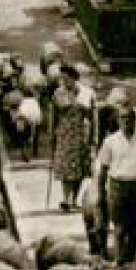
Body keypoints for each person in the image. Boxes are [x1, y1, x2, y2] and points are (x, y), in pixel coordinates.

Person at [95, 107, 136, 266]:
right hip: (117, 187)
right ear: (118, 121)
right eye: (123, 118)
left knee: (133, 230)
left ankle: (129, 261)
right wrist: (100, 193)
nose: (126, 122)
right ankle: (119, 262)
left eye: (129, 118)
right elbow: (102, 168)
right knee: (119, 228)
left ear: (135, 120)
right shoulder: (110, 141)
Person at [50, 64, 96, 214]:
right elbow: (53, 116)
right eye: (62, 79)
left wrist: (94, 137)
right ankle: (66, 199)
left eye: (67, 79)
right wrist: (52, 134)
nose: (64, 82)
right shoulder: (58, 94)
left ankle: (73, 199)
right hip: (65, 135)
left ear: (74, 78)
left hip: (82, 134)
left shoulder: (88, 93)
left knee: (80, 169)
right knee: (66, 168)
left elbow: (94, 118)